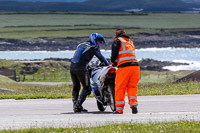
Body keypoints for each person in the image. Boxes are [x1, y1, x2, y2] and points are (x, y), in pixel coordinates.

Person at [70, 33, 109, 113]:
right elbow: (101, 58)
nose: (99, 44)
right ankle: (78, 106)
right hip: (81, 68)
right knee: (87, 87)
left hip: (72, 67)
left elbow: (80, 56)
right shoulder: (93, 47)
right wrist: (108, 65)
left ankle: (75, 105)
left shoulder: (81, 45)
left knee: (76, 86)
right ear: (94, 40)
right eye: (99, 42)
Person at [111, 28, 140, 114]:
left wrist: (113, 63)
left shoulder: (117, 41)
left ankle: (119, 109)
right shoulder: (130, 42)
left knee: (120, 87)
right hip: (135, 66)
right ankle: (133, 104)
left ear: (117, 34)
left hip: (124, 67)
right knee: (132, 87)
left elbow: (114, 54)